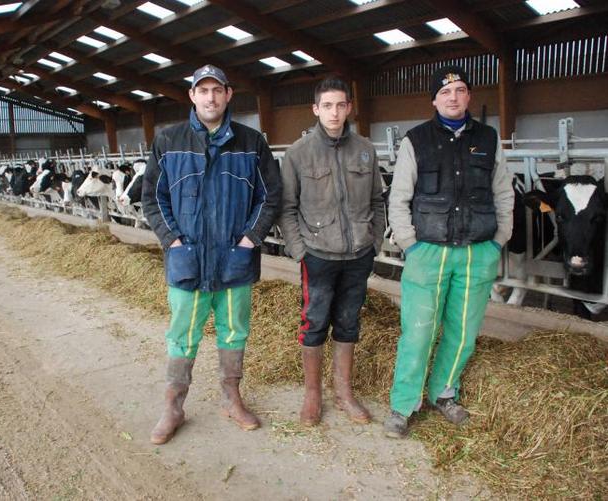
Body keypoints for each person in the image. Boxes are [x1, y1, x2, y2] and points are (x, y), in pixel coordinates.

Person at [141, 64, 282, 445]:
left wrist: (251, 239)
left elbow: (270, 197)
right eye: (202, 90)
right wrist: (170, 239)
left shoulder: (252, 142)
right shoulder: (168, 141)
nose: (210, 97)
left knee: (234, 330)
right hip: (187, 257)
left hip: (235, 259)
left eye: (217, 90)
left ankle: (231, 398)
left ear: (228, 95)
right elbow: (153, 198)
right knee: (182, 334)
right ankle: (173, 406)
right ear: (192, 96)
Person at [384, 65, 514, 438]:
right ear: (434, 100)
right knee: (418, 330)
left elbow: (503, 191)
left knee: (463, 332)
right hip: (429, 252)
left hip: (477, 252)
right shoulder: (416, 140)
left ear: (469, 96)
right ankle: (404, 404)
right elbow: (400, 196)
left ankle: (444, 392)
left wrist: (498, 239)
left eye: (459, 90)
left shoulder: (489, 139)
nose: (453, 97)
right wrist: (410, 243)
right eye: (445, 92)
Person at [279, 77, 385, 427]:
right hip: (318, 255)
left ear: (349, 107)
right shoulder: (298, 154)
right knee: (314, 322)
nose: (335, 112)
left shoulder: (365, 149)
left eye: (341, 105)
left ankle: (343, 392)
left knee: (348, 321)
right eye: (327, 105)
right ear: (316, 109)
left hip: (358, 254)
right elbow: (287, 207)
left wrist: (375, 241)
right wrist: (300, 251)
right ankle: (313, 395)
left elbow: (376, 201)